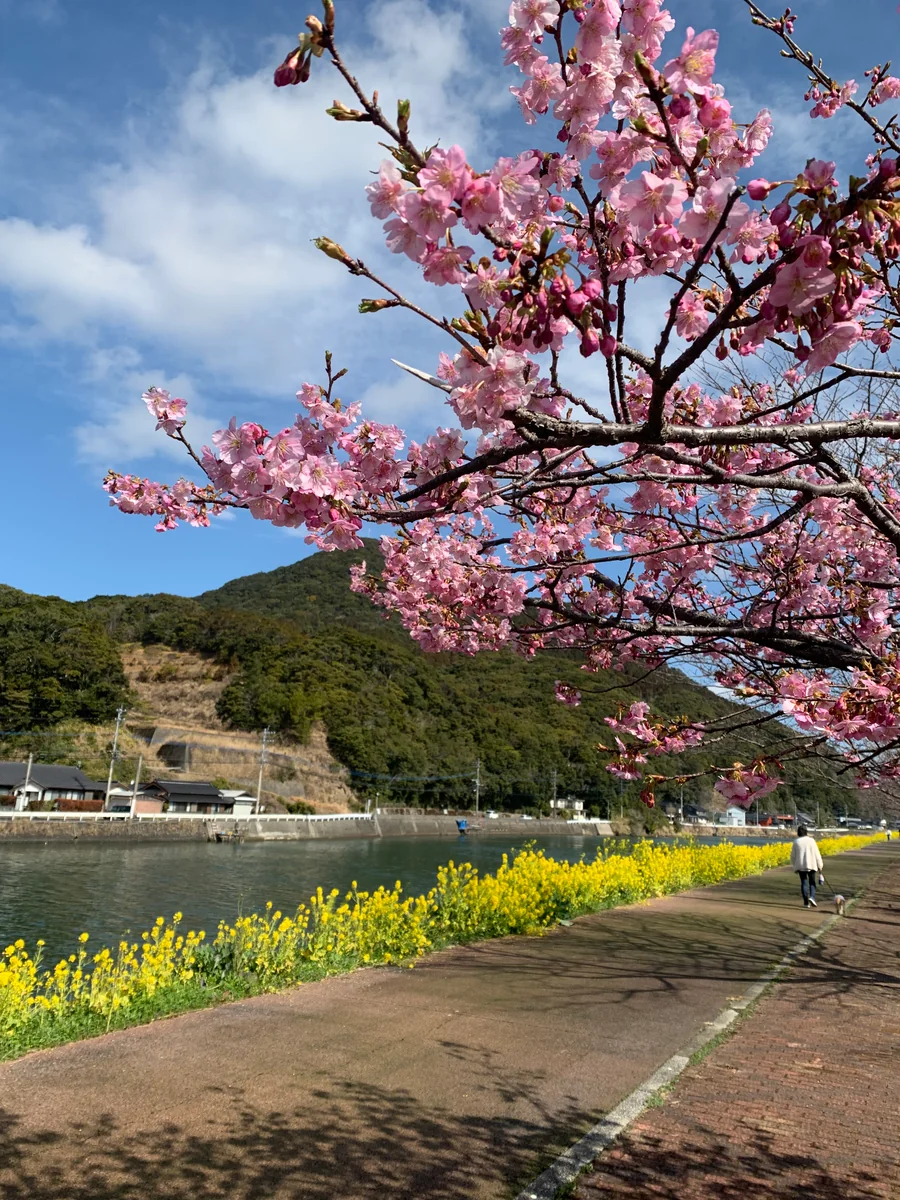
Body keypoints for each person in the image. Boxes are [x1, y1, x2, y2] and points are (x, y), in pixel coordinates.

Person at [790, 825, 824, 908]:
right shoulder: (811, 841)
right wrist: (820, 865)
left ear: (798, 832)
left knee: (804, 883)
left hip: (801, 866)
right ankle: (812, 897)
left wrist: (795, 866)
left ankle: (806, 902)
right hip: (811, 864)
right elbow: (817, 854)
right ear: (806, 832)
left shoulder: (796, 842)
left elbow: (792, 856)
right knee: (812, 882)